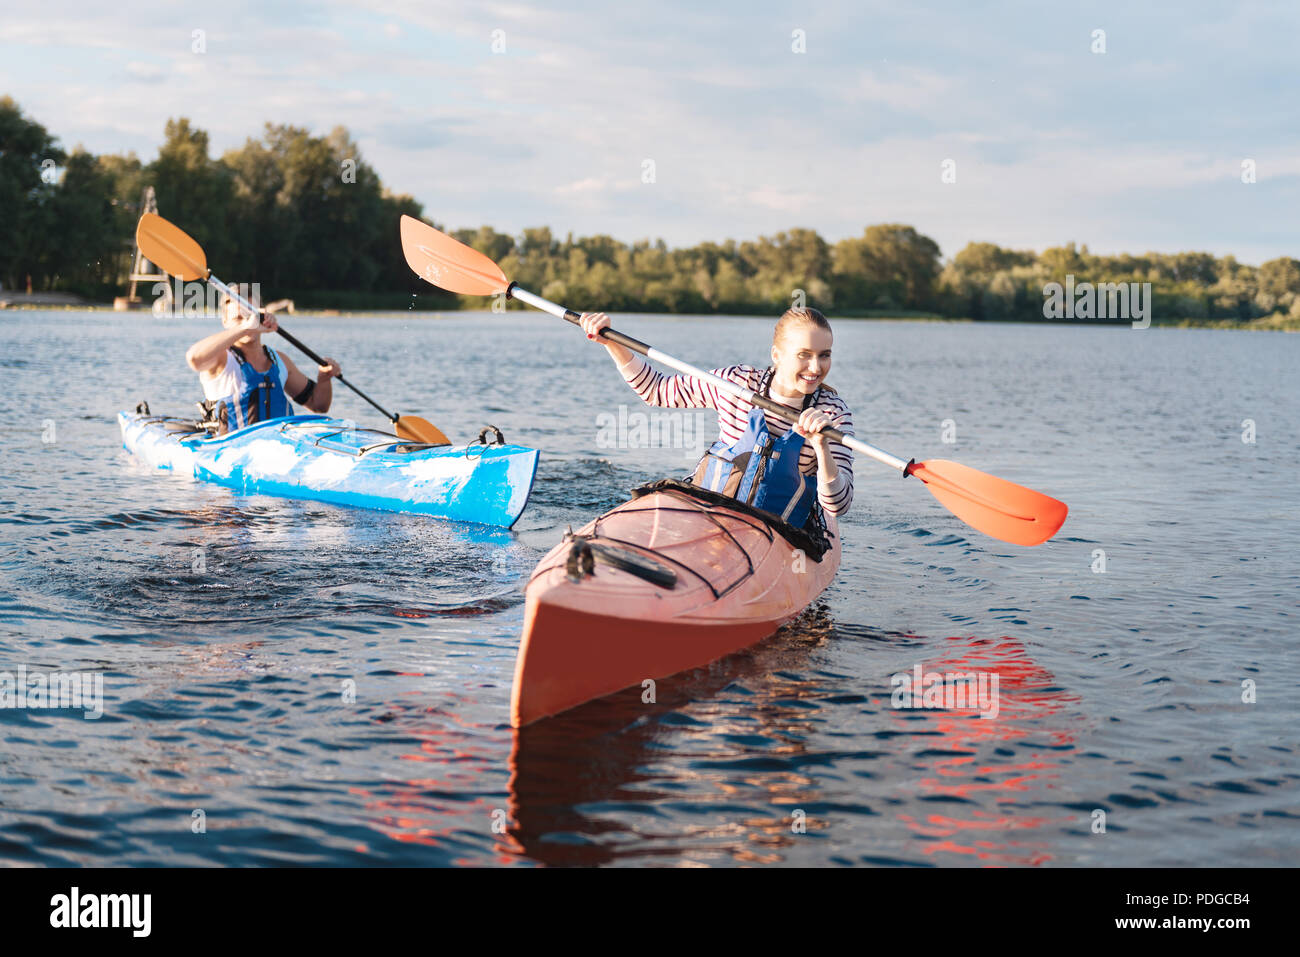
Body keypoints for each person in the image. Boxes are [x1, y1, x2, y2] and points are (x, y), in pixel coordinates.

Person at [578, 305, 854, 527]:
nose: (815, 367)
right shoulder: (736, 384)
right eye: (804, 355)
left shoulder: (832, 414)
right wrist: (610, 342)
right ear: (777, 355)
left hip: (780, 533)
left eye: (824, 355)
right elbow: (656, 391)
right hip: (709, 512)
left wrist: (821, 446)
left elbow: (838, 506)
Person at [185, 290, 341, 433]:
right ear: (225, 321)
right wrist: (246, 327)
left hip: (276, 448)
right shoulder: (221, 359)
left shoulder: (280, 360)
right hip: (231, 451)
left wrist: (324, 380)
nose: (248, 321)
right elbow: (194, 359)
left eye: (250, 315)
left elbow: (318, 405)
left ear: (262, 315)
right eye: (238, 318)